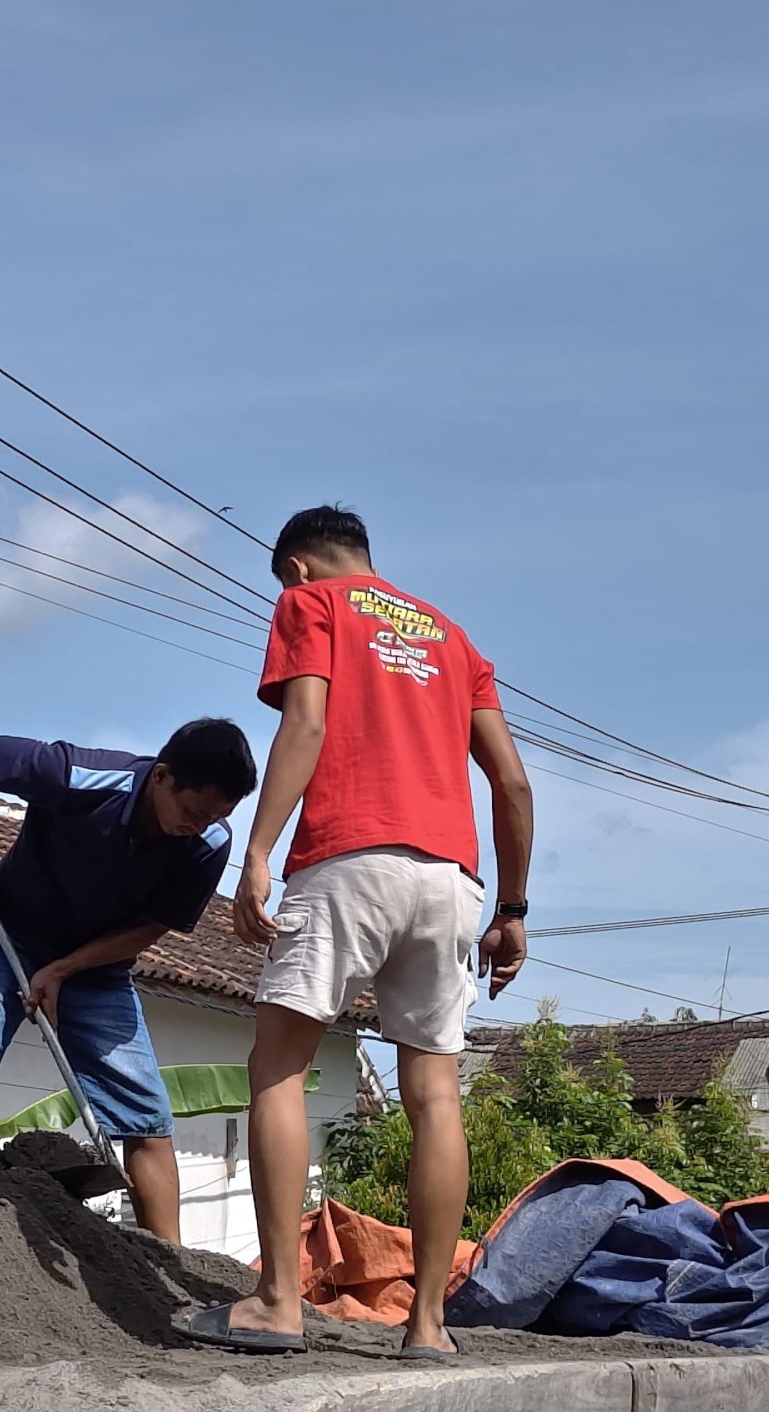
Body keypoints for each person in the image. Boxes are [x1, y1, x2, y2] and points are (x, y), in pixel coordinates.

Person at [178, 505, 534, 1358]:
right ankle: (429, 1327)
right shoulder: (453, 640)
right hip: (451, 881)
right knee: (435, 1096)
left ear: (298, 569)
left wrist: (257, 852)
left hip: (349, 857)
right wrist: (513, 911)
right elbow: (514, 786)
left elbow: (304, 723)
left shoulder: (313, 606)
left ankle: (275, 1303)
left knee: (279, 1068)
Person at [0, 717, 258, 1244]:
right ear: (161, 777)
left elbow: (152, 925)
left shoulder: (209, 841)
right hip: (10, 934)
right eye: (192, 811)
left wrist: (65, 969)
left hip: (97, 969)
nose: (199, 825)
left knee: (146, 1114)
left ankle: (168, 1264)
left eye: (216, 815)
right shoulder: (78, 775)